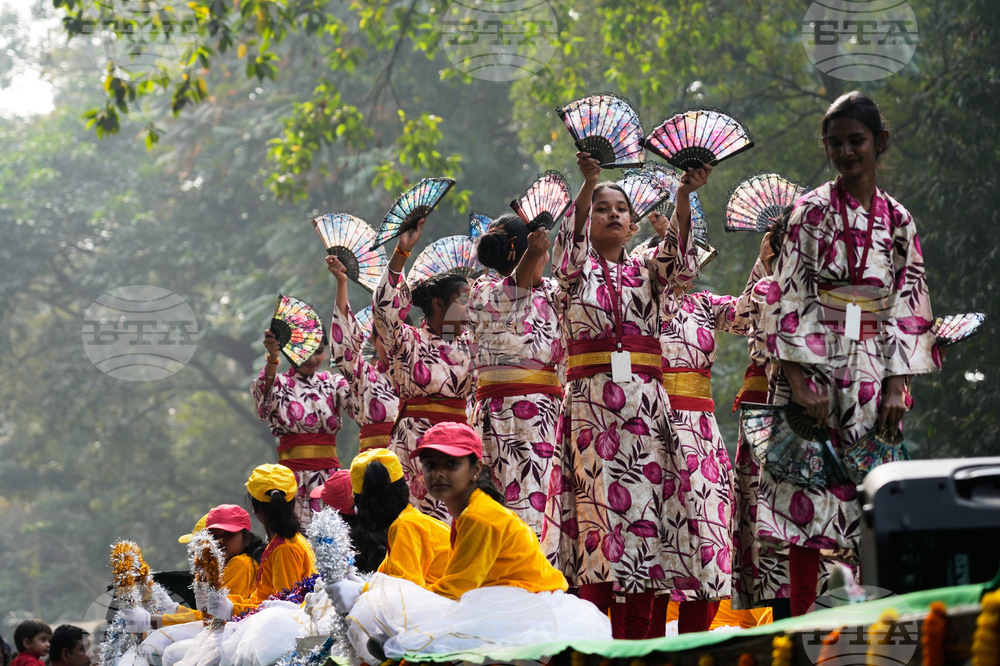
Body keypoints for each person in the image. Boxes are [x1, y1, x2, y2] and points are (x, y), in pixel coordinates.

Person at [759, 91, 939, 616]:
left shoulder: (899, 220)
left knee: (869, 503)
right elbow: (783, 293)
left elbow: (910, 302)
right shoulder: (809, 211)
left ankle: (867, 628)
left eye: (855, 141)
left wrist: (896, 384)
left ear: (879, 142)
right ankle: (797, 634)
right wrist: (795, 381)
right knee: (804, 503)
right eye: (834, 143)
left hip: (873, 369)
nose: (845, 152)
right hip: (811, 370)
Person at [541, 151, 704, 639]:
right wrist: (588, 183)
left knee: (646, 525)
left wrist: (683, 196)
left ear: (634, 224)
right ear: (586, 220)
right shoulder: (574, 274)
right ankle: (598, 641)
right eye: (601, 208)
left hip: (646, 415)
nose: (612, 213)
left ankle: (644, 643)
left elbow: (682, 263)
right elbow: (566, 253)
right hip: (592, 413)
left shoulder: (647, 271)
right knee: (597, 530)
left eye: (620, 209)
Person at [338, 423, 610, 660]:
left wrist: (392, 613)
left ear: (475, 469)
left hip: (522, 605)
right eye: (430, 465)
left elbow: (455, 588)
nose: (438, 474)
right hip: (504, 599)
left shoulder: (479, 516)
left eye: (451, 464)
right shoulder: (466, 513)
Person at [640, 211, 765, 635]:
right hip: (650, 430)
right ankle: (646, 647)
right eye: (679, 258)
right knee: (652, 544)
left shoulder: (705, 306)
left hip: (701, 436)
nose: (687, 269)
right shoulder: (640, 303)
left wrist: (766, 260)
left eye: (693, 258)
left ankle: (694, 646)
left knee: (706, 540)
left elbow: (748, 314)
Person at [469, 213, 565, 538]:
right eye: (540, 250)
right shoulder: (483, 289)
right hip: (501, 416)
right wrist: (532, 255)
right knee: (501, 509)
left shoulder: (555, 292)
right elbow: (509, 297)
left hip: (549, 417)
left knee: (549, 506)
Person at [372, 217, 474, 519]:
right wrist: (401, 252)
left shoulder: (473, 345)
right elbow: (383, 311)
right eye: (464, 302)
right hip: (415, 447)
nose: (471, 309)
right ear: (439, 304)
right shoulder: (408, 339)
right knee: (417, 527)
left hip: (461, 445)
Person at [251, 310, 351, 528]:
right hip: (291, 479)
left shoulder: (334, 382)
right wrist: (272, 358)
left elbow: (361, 406)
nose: (313, 359)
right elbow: (262, 406)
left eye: (320, 351)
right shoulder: (279, 384)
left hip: (330, 477)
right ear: (291, 351)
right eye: (306, 352)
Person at [199, 464, 318, 620]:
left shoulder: (284, 548)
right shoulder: (287, 542)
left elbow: (286, 608)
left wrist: (231, 610)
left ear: (255, 508)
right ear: (293, 503)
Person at [326, 256, 399, 453]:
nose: (389, 343)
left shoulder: (421, 375)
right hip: (373, 464)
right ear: (374, 342)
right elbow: (344, 349)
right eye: (382, 337)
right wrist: (342, 282)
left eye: (394, 335)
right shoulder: (365, 376)